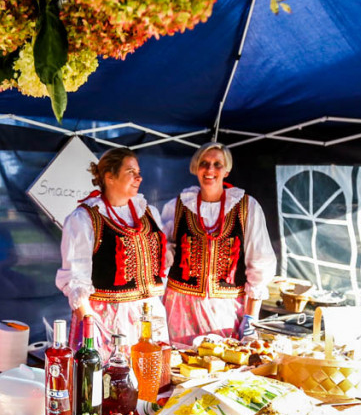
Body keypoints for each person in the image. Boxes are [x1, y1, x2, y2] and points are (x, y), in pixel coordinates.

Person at [56, 148, 168, 358]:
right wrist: (90, 326)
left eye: (139, 172)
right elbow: (74, 278)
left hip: (148, 316)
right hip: (107, 322)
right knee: (112, 385)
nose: (139, 177)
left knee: (153, 382)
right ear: (109, 177)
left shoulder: (149, 213)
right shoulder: (84, 219)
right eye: (130, 171)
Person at [161, 142, 276, 344]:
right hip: (180, 307)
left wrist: (250, 318)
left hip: (226, 309)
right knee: (181, 369)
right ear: (196, 167)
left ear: (227, 170)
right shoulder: (177, 206)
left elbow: (260, 262)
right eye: (204, 163)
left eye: (217, 164)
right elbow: (162, 255)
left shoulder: (246, 207)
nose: (210, 169)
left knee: (223, 367)